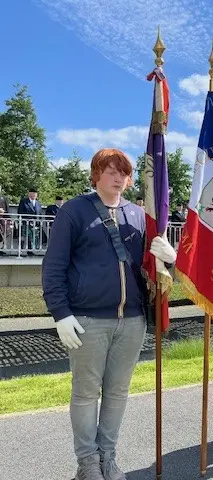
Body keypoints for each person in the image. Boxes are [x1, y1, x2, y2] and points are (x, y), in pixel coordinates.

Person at [42, 148, 177, 480]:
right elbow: (54, 266)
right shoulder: (74, 211)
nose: (118, 177)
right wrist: (60, 313)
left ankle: (108, 459)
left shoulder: (138, 215)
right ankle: (87, 463)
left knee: (117, 392)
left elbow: (151, 266)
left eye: (123, 173)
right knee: (86, 394)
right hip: (88, 320)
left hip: (131, 320)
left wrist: (170, 258)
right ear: (96, 174)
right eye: (110, 171)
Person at [18, 186, 43, 254]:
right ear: (29, 194)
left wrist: (39, 222)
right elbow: (20, 212)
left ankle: (30, 250)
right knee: (24, 237)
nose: (34, 195)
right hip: (26, 223)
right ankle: (21, 251)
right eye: (33, 193)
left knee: (33, 238)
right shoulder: (24, 201)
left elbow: (40, 214)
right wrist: (22, 222)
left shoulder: (38, 203)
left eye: (35, 194)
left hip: (35, 224)